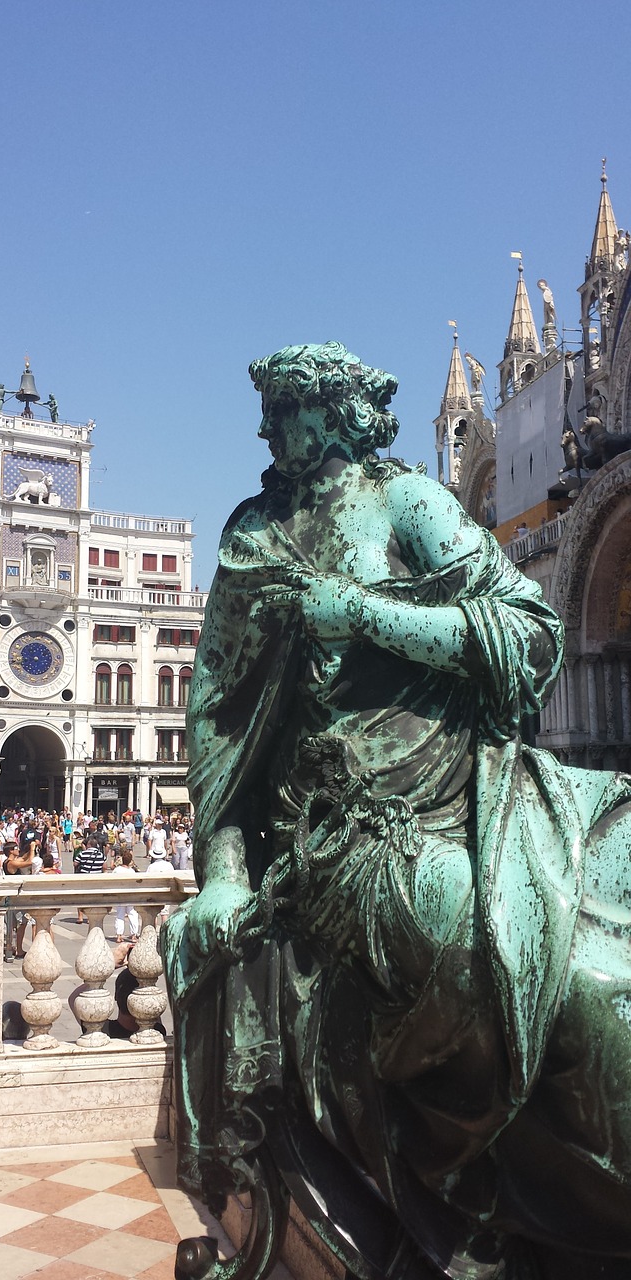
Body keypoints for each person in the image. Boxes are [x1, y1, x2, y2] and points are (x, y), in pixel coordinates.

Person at [164, 343, 631, 1278]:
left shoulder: (407, 500)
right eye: (268, 409)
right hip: (349, 835)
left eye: (289, 406)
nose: (270, 429)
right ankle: (525, 1208)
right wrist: (222, 874)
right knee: (572, 995)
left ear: (336, 411)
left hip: (477, 789)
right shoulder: (252, 538)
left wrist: (364, 612)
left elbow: (526, 632)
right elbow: (219, 730)